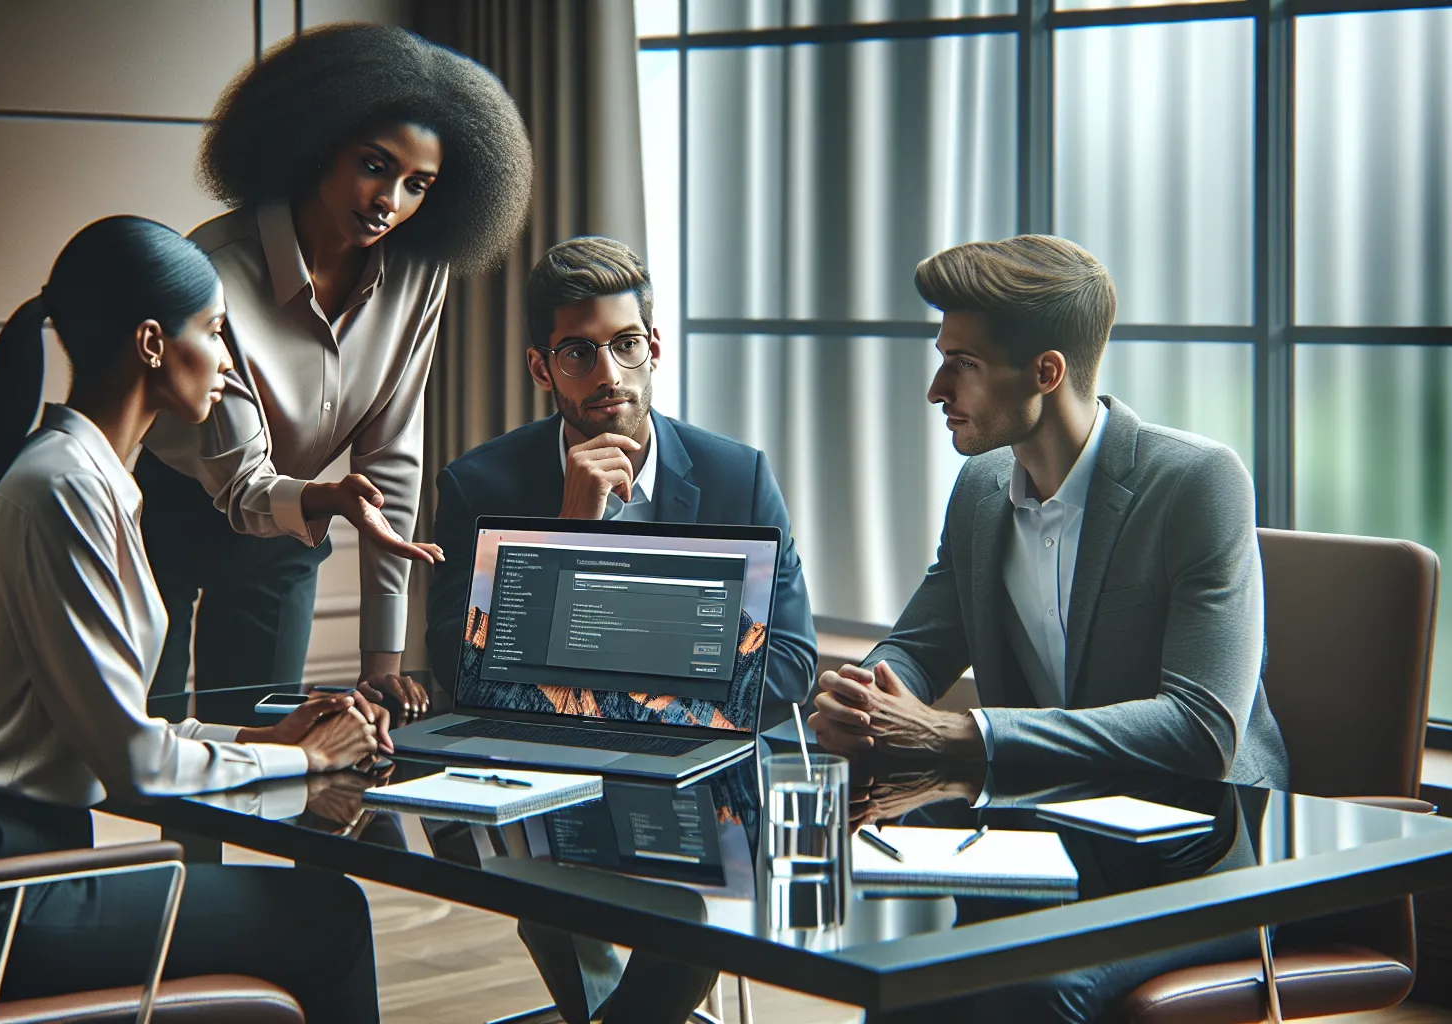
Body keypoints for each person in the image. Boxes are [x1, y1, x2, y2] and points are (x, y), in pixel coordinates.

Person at [0, 216, 390, 1021]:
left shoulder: (86, 479)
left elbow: (124, 725)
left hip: (0, 876)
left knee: (313, 914)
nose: (229, 361)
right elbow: (136, 766)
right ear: (153, 343)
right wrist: (303, 758)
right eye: (215, 332)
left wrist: (264, 736)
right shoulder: (64, 489)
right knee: (328, 918)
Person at [807, 234, 1288, 1022]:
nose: (936, 388)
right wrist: (866, 697)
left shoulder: (1198, 482)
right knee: (904, 980)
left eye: (962, 363)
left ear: (1046, 372)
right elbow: (920, 645)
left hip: (1195, 857)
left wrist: (961, 736)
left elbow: (1203, 731)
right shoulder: (982, 488)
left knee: (1028, 995)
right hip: (1037, 834)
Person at [424, 236, 818, 1024]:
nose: (608, 373)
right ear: (542, 368)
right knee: (528, 856)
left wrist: (607, 671)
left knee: (703, 887)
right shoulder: (481, 484)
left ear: (654, 348)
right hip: (547, 767)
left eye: (626, 344)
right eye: (579, 353)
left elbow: (792, 663)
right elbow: (462, 670)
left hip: (700, 769)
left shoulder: (736, 475)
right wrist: (569, 533)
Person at [138, 23, 533, 724]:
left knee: (262, 741)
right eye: (374, 165)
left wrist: (382, 661)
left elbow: (392, 454)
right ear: (319, 141)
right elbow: (242, 484)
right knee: (154, 744)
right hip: (171, 516)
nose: (390, 201)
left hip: (292, 527)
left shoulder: (419, 272)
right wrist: (329, 500)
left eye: (417, 185)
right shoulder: (217, 268)